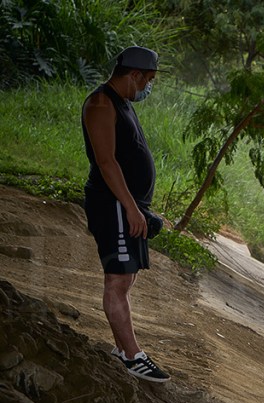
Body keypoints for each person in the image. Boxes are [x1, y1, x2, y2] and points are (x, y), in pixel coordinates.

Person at [81, 46, 169, 383]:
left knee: (126, 277)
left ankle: (122, 349)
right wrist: (131, 207)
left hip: (128, 205)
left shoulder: (122, 103)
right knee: (117, 280)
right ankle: (134, 356)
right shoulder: (100, 104)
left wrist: (141, 207)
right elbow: (106, 162)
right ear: (133, 75)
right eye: (147, 79)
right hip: (113, 205)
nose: (148, 86)